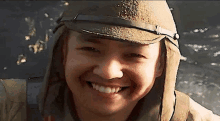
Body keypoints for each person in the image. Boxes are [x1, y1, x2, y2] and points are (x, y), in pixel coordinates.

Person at [0, 0, 220, 121]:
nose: (108, 72)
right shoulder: (9, 106)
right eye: (91, 48)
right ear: (64, 52)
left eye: (134, 55)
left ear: (160, 64)